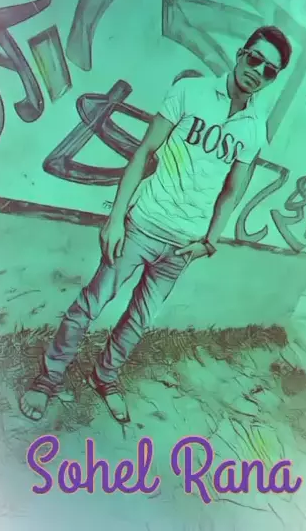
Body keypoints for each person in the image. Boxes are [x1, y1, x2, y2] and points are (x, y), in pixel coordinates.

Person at [19, 25, 292, 424]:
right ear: (241, 54)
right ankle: (49, 379)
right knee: (92, 304)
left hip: (182, 245)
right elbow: (145, 150)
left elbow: (232, 190)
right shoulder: (191, 92)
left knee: (139, 320)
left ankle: (104, 377)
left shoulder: (254, 128)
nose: (258, 71)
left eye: (269, 70)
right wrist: (115, 218)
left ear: (273, 78)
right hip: (143, 225)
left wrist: (209, 240)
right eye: (255, 59)